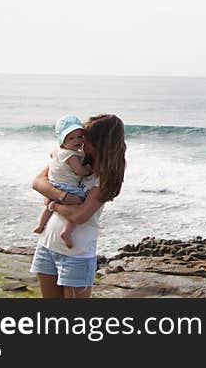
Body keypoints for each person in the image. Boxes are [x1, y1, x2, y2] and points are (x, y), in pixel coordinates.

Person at [30, 113, 127, 298]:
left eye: (86, 137)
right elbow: (37, 182)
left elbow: (80, 216)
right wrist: (61, 196)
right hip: (47, 245)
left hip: (76, 254)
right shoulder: (72, 159)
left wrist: (52, 203)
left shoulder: (105, 177)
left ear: (100, 143)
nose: (81, 141)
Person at [33, 114, 93, 248]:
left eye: (79, 136)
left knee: (48, 206)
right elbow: (78, 171)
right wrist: (88, 170)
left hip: (54, 182)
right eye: (71, 138)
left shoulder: (58, 151)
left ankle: (40, 224)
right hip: (67, 187)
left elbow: (52, 156)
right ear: (62, 140)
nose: (77, 140)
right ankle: (66, 232)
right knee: (78, 202)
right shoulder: (71, 155)